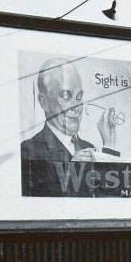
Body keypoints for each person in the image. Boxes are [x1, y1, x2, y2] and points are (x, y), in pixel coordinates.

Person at [20, 58, 119, 196]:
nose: (76, 107)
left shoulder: (88, 147)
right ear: (44, 102)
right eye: (66, 96)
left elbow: (109, 199)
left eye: (79, 98)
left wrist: (109, 146)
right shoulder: (28, 150)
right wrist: (71, 171)